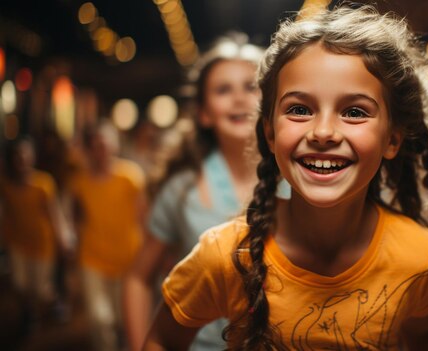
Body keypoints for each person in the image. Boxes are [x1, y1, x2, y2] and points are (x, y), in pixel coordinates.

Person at [143, 4, 428, 350]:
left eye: (354, 112)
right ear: (270, 134)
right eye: (300, 109)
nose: (323, 132)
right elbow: (161, 339)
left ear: (392, 139)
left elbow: (424, 340)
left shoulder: (418, 255)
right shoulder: (225, 255)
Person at [122, 35, 264, 351]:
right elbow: (137, 279)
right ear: (203, 113)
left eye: (251, 86)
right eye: (223, 89)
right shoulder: (182, 189)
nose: (239, 98)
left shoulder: (302, 181)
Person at [68, 121, 146, 351]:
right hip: (92, 259)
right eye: (95, 146)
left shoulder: (130, 176)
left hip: (128, 259)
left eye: (105, 144)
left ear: (114, 146)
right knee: (100, 320)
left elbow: (145, 216)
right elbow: (75, 215)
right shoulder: (79, 182)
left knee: (123, 319)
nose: (101, 150)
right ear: (89, 149)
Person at [0, 137, 66, 328]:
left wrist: (61, 237)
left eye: (25, 154)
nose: (21, 159)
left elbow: (54, 213)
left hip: (42, 243)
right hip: (17, 242)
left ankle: (51, 302)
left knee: (40, 288)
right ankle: (30, 314)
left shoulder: (43, 183)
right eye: (17, 155)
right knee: (21, 284)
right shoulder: (6, 184)